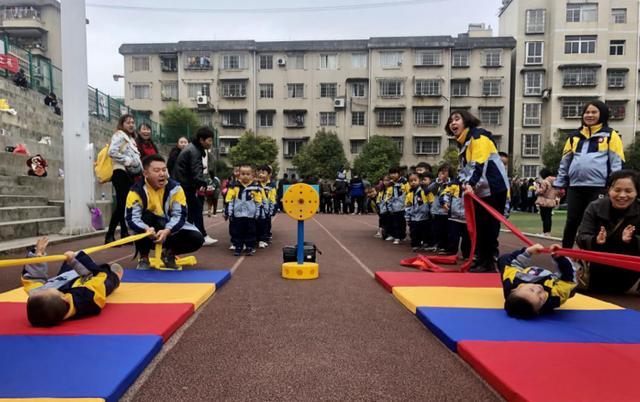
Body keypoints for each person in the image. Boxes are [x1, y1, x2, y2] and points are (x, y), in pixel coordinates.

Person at [555, 100, 625, 249]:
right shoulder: (574, 137)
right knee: (572, 220)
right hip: (575, 187)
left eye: (594, 112)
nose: (590, 115)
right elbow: (565, 162)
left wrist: (614, 187)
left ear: (602, 114)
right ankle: (565, 254)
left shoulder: (611, 135)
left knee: (596, 221)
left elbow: (616, 163)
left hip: (599, 187)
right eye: (587, 112)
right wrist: (560, 184)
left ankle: (592, 256)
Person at [446, 110, 509, 273]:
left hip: (494, 189)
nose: (453, 123)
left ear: (466, 121)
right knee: (479, 226)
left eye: (457, 119)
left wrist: (470, 184)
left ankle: (488, 262)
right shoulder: (464, 144)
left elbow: (478, 163)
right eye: (451, 120)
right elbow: (465, 170)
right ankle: (482, 259)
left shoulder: (478, 136)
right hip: (481, 191)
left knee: (489, 227)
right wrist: (462, 184)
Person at [21, 236, 123, 327]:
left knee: (66, 269)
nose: (44, 288)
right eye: (50, 289)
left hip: (67, 281)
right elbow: (96, 276)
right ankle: (116, 277)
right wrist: (75, 260)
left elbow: (33, 280)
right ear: (64, 298)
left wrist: (38, 254)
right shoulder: (87, 299)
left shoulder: (41, 296)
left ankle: (74, 266)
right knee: (106, 279)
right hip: (89, 284)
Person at [126, 154, 205, 270]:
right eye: (157, 170)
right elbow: (131, 219)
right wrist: (146, 229)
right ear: (145, 174)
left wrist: (168, 230)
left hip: (168, 230)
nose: (162, 174)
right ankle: (144, 257)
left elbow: (180, 215)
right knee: (145, 217)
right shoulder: (135, 192)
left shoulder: (176, 189)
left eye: (164, 170)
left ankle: (169, 254)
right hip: (149, 232)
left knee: (197, 238)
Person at [576, 170, 640, 293]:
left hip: (630, 272)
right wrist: (595, 240)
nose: (622, 195)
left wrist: (632, 240)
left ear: (637, 192)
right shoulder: (594, 207)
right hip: (597, 269)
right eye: (617, 190)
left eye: (628, 191)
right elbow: (581, 237)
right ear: (609, 190)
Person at [498, 243, 576, 319]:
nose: (538, 289)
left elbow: (511, 262)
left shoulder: (512, 281)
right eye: (540, 298)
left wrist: (528, 251)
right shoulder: (554, 297)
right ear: (539, 309)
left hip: (526, 275)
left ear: (515, 289)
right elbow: (568, 278)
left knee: (505, 259)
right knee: (570, 286)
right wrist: (560, 258)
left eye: (531, 290)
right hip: (552, 281)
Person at [174, 127, 218, 246]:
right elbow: (196, 170)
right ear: (201, 140)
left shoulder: (194, 148)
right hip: (185, 185)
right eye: (209, 140)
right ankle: (201, 236)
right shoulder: (194, 151)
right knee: (196, 208)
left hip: (184, 184)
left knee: (190, 211)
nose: (210, 143)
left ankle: (189, 235)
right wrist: (202, 183)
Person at [106, 114, 141, 245]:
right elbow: (112, 152)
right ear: (122, 124)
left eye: (133, 122)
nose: (131, 124)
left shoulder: (131, 138)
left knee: (125, 204)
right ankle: (109, 235)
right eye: (128, 122)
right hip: (120, 172)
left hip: (128, 174)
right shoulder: (119, 135)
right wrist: (128, 160)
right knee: (122, 204)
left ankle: (124, 233)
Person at [224, 164, 264, 256]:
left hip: (250, 215)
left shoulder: (255, 187)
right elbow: (230, 200)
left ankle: (250, 246)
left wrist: (258, 213)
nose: (245, 176)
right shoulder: (234, 186)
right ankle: (238, 246)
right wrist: (229, 212)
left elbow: (258, 201)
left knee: (250, 231)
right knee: (237, 231)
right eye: (243, 173)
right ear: (239, 175)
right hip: (238, 214)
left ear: (252, 175)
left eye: (248, 174)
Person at [429, 164, 454, 254]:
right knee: (437, 230)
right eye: (440, 172)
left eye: (444, 172)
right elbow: (429, 189)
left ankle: (446, 247)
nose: (442, 174)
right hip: (437, 211)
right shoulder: (437, 183)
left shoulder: (452, 183)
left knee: (447, 230)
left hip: (446, 211)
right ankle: (439, 245)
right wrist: (438, 181)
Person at [405, 173, 431, 252]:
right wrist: (407, 217)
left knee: (425, 232)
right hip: (414, 217)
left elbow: (431, 201)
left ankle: (426, 243)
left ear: (419, 181)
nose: (413, 182)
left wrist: (430, 211)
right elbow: (407, 206)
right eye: (411, 181)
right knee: (414, 232)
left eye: (415, 180)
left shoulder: (425, 191)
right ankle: (415, 245)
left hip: (424, 216)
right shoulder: (409, 194)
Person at [385, 166, 410, 244]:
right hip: (394, 207)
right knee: (395, 222)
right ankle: (396, 237)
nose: (393, 175)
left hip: (403, 206)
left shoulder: (404, 182)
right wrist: (388, 204)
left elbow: (409, 193)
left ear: (399, 174)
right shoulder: (391, 184)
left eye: (395, 173)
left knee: (402, 222)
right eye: (391, 173)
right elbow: (388, 195)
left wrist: (407, 204)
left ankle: (402, 236)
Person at [256, 165, 276, 248]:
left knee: (266, 223)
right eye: (259, 172)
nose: (260, 175)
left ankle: (264, 238)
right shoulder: (255, 184)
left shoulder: (271, 185)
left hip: (267, 208)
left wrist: (272, 207)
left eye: (263, 173)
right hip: (257, 207)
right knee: (257, 223)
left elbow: (273, 197)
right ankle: (258, 238)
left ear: (269, 174)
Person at [535, 168, 558, 237]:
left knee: (544, 217)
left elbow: (542, 191)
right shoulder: (556, 181)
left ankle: (545, 232)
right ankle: (548, 232)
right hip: (552, 200)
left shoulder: (545, 182)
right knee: (548, 216)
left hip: (544, 201)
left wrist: (536, 190)